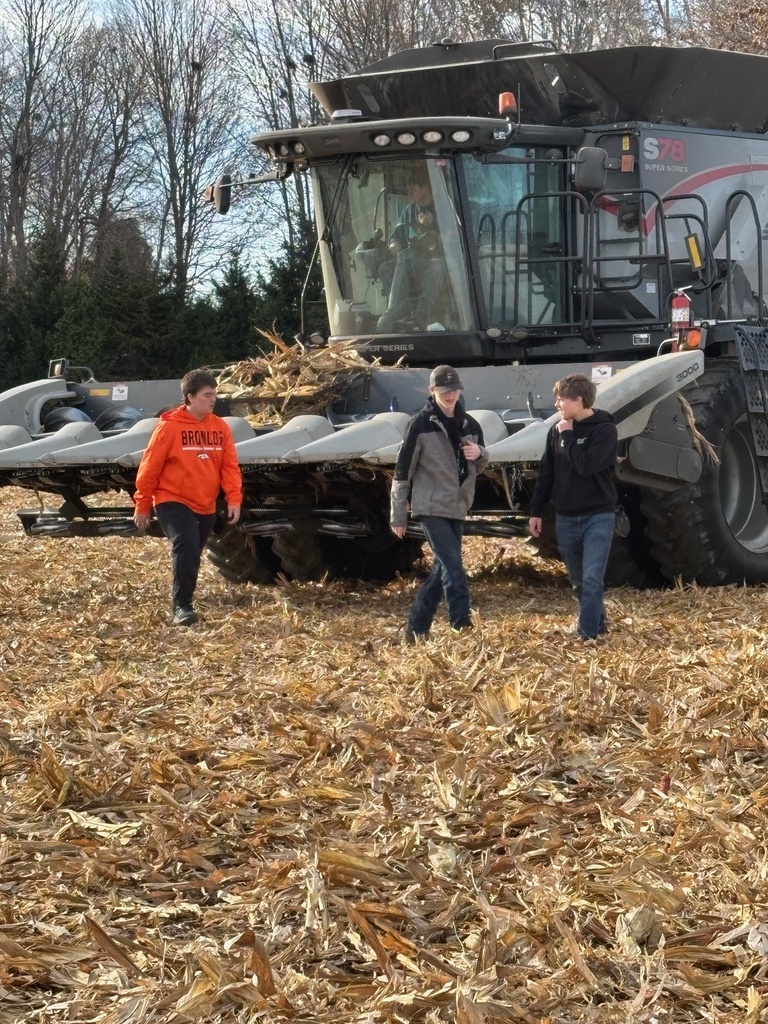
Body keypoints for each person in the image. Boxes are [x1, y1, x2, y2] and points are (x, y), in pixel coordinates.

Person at [133, 369, 242, 626]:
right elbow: (150, 467)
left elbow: (229, 466)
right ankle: (182, 607)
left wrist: (234, 499)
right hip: (172, 499)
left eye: (215, 394)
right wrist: (143, 504)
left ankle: (185, 598)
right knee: (187, 543)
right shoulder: (168, 428)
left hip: (204, 503)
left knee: (194, 551)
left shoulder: (220, 428)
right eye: (207, 395)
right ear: (190, 398)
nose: (213, 399)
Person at [391, 365, 488, 643]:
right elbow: (403, 471)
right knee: (454, 566)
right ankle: (462, 626)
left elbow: (480, 465)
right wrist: (398, 514)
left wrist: (480, 453)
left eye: (455, 390)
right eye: (445, 391)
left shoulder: (472, 425)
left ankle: (416, 628)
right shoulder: (419, 424)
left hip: (458, 505)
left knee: (443, 569)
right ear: (432, 391)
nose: (450, 395)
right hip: (429, 507)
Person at [528, 373, 618, 640]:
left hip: (598, 516)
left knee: (592, 579)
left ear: (579, 400)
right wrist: (536, 511)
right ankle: (599, 624)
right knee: (579, 583)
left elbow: (586, 466)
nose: (557, 404)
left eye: (561, 399)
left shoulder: (604, 430)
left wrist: (568, 437)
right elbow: (547, 474)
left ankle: (587, 635)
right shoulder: (555, 432)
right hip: (566, 517)